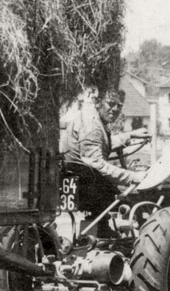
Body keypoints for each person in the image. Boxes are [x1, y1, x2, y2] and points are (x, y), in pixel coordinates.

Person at [62, 89, 148, 221]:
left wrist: (129, 135)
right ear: (97, 102)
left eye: (119, 106)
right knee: (133, 200)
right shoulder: (92, 124)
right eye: (111, 104)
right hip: (85, 182)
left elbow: (97, 143)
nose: (115, 109)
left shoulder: (94, 119)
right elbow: (96, 163)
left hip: (80, 177)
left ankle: (102, 231)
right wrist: (133, 176)